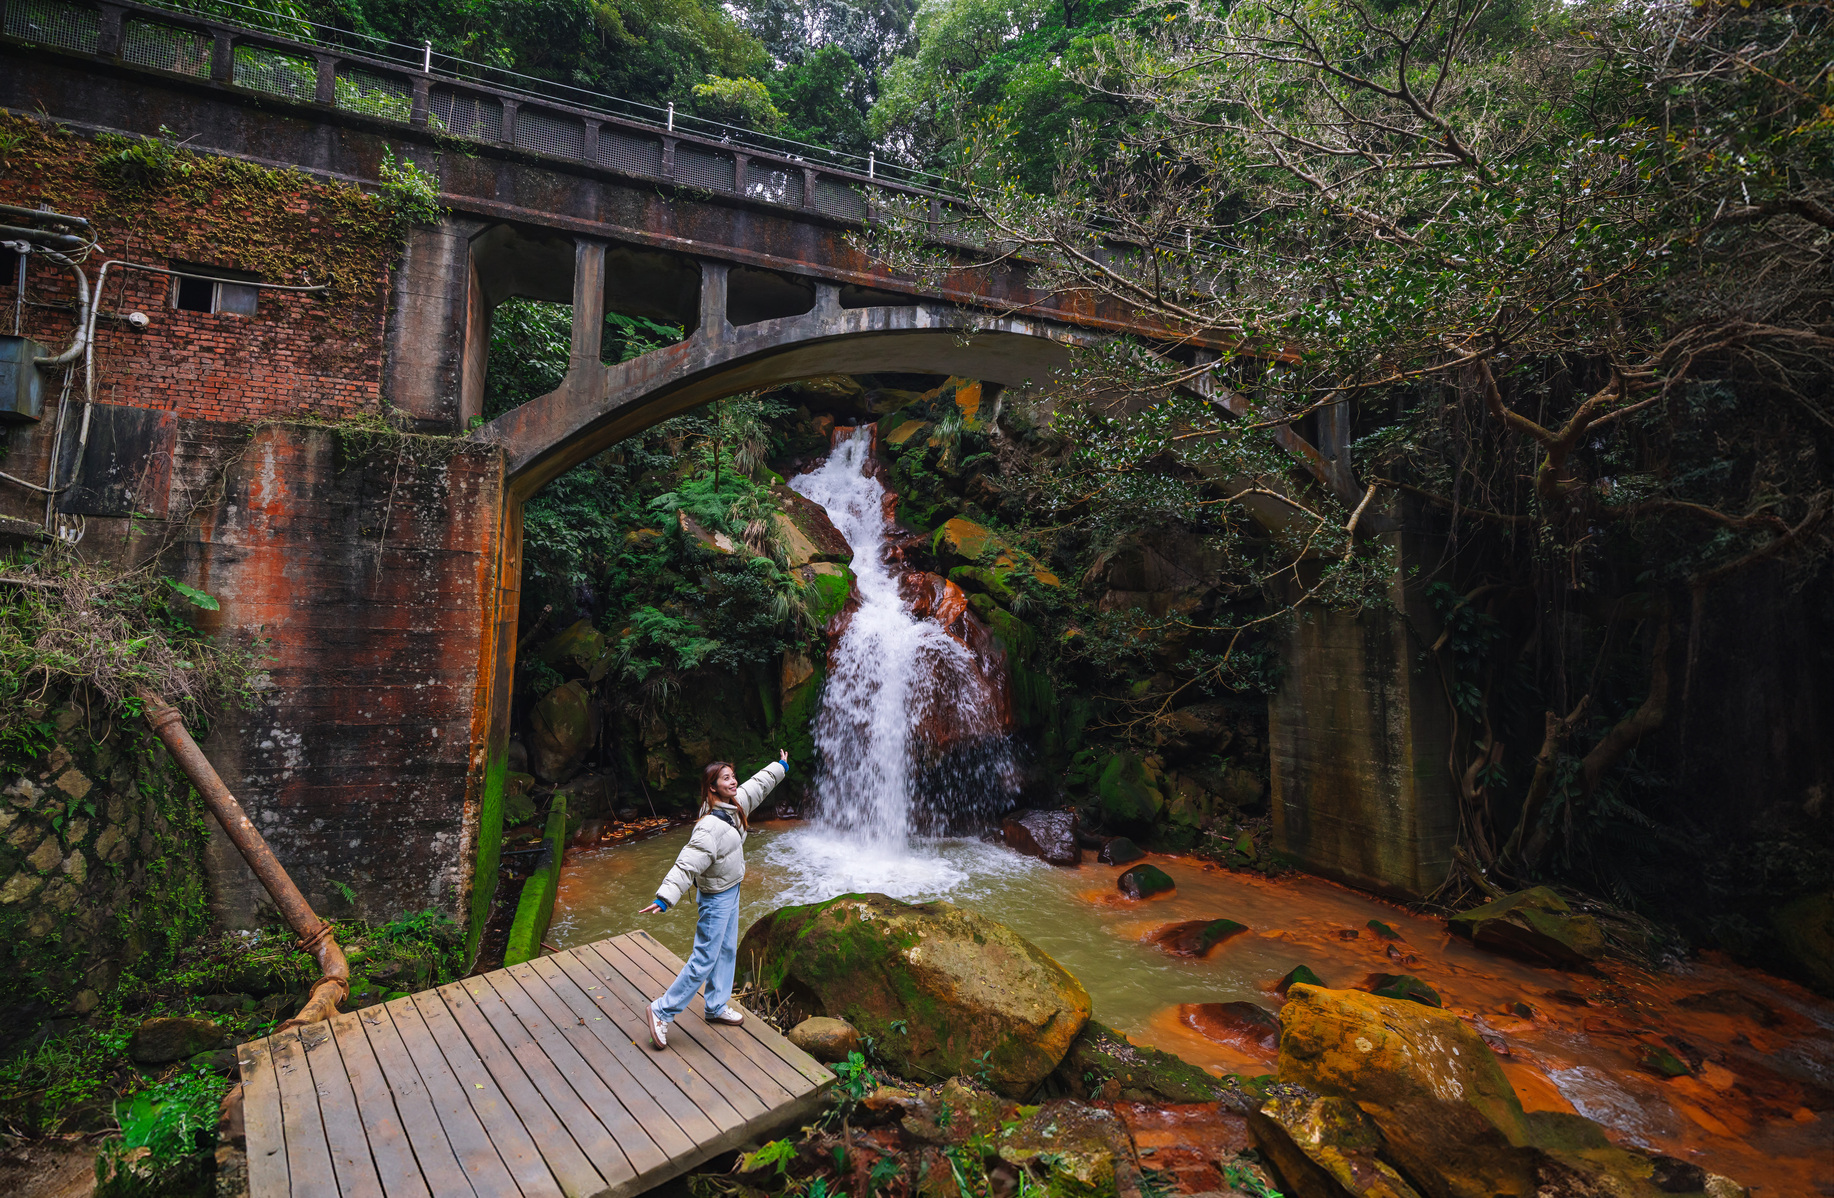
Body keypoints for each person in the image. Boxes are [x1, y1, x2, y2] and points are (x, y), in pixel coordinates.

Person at [640, 749, 788, 1049]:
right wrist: (666, 897)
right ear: (712, 787)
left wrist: (781, 765)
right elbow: (687, 863)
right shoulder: (709, 825)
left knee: (727, 950)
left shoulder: (735, 804)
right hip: (716, 897)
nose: (733, 782)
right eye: (726, 779)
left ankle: (716, 1005)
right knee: (704, 958)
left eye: (733, 776)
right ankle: (661, 1010)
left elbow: (758, 784)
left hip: (731, 888)